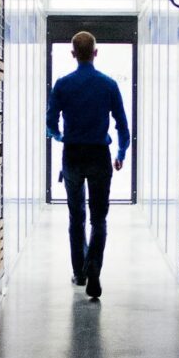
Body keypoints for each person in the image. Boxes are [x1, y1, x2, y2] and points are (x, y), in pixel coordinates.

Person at [45, 30, 130, 300]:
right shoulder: (108, 85)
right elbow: (123, 126)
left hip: (72, 155)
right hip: (99, 156)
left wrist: (60, 137)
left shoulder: (62, 84)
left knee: (76, 216)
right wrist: (121, 153)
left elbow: (50, 124)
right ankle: (94, 268)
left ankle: (79, 273)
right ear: (95, 53)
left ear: (73, 54)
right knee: (99, 218)